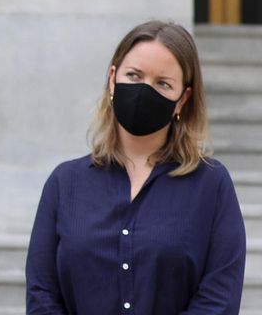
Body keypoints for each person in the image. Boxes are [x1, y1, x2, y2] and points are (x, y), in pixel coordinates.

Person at [25, 21, 246, 314]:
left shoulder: (211, 185)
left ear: (182, 99)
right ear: (113, 79)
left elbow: (219, 298)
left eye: (163, 83)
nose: (144, 90)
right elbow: (42, 294)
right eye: (134, 75)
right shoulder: (65, 183)